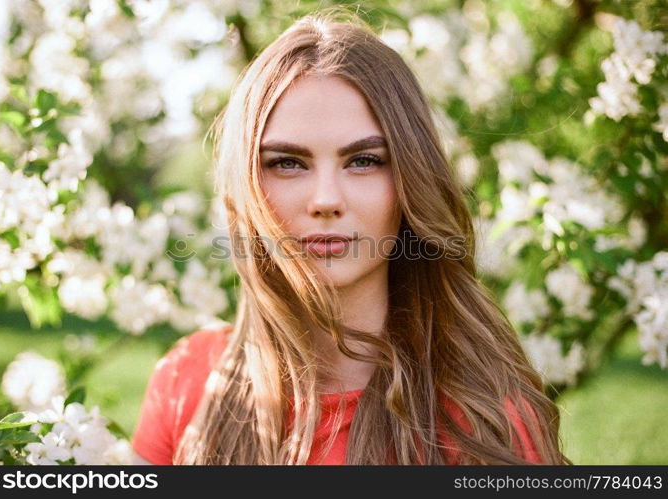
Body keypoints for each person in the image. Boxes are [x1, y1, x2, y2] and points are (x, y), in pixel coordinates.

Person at [131, 8, 571, 465]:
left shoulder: (483, 419)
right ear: (244, 187)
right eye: (287, 162)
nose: (325, 199)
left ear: (410, 182)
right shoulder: (189, 381)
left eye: (363, 161)